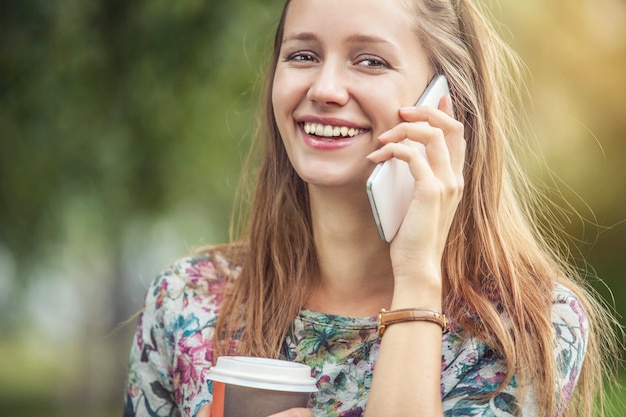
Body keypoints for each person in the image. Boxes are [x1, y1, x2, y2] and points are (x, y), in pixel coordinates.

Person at [123, 0, 621, 416]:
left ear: (444, 104)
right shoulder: (186, 302)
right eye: (302, 55)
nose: (325, 89)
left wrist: (417, 276)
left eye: (370, 61)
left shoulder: (525, 327)